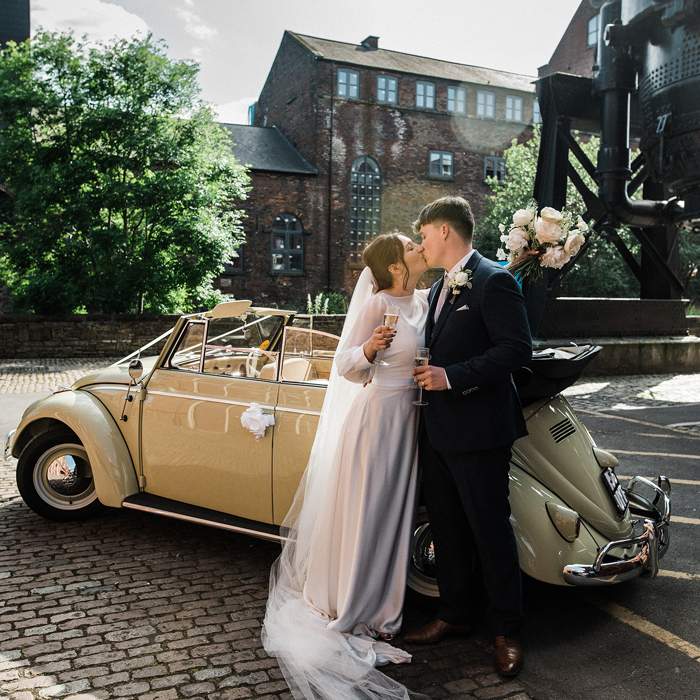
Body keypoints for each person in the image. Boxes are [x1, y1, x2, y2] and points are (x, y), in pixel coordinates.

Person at [262, 233, 431, 700]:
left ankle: (384, 610)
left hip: (410, 419)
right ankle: (355, 606)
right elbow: (345, 366)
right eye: (412, 248)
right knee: (367, 511)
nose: (421, 248)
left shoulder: (423, 299)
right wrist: (371, 349)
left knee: (393, 515)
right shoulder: (378, 304)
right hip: (377, 419)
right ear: (396, 266)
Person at [406, 196, 532, 677]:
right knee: (448, 528)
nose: (420, 243)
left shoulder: (495, 279)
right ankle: (454, 616)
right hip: (436, 431)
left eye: (422, 234)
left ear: (443, 231)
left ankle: (507, 629)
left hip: (479, 431)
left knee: (490, 531)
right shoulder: (440, 286)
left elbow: (517, 350)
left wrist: (451, 376)